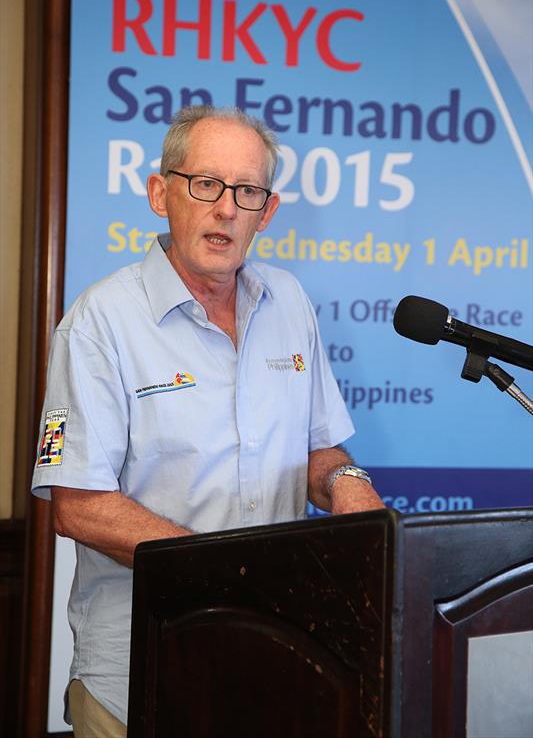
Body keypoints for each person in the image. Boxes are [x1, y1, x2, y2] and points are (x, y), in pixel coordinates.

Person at [32, 105, 385, 737]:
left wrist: (348, 482)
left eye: (247, 191)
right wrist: (230, 572)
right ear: (160, 193)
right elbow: (79, 505)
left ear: (266, 213)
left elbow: (318, 450)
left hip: (273, 658)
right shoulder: (100, 322)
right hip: (143, 671)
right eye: (206, 184)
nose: (226, 208)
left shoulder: (289, 303)